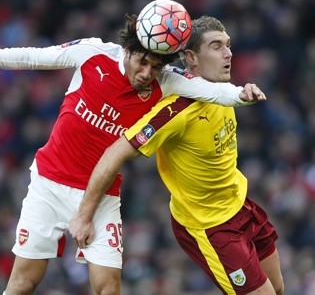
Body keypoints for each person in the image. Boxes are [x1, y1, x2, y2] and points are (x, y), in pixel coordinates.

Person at [0, 8, 263, 294]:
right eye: (142, 62)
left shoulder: (167, 82)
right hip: (49, 182)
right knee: (23, 281)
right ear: (129, 49)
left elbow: (213, 90)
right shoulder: (93, 53)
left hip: (101, 196)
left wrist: (242, 93)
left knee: (108, 288)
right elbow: (33, 57)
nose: (146, 73)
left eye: (155, 67)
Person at [69, 16, 284, 295]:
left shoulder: (224, 91)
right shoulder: (175, 110)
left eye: (228, 45)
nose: (228, 53)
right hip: (209, 225)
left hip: (240, 205)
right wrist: (85, 215)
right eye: (216, 46)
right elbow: (114, 153)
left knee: (277, 288)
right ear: (191, 57)